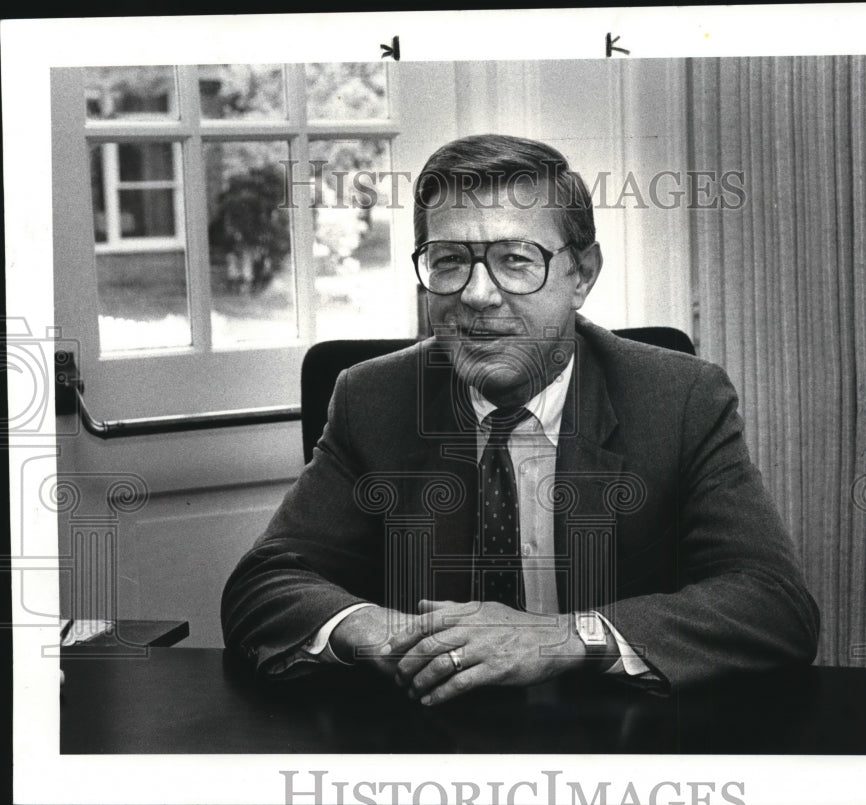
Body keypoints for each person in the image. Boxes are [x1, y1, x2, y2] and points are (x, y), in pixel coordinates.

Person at [221, 134, 819, 705]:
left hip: (617, 740)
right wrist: (375, 631)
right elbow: (265, 584)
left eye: (515, 259)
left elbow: (773, 605)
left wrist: (563, 638)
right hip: (432, 743)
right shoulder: (373, 397)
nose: (478, 295)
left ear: (581, 275)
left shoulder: (681, 398)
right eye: (450, 260)